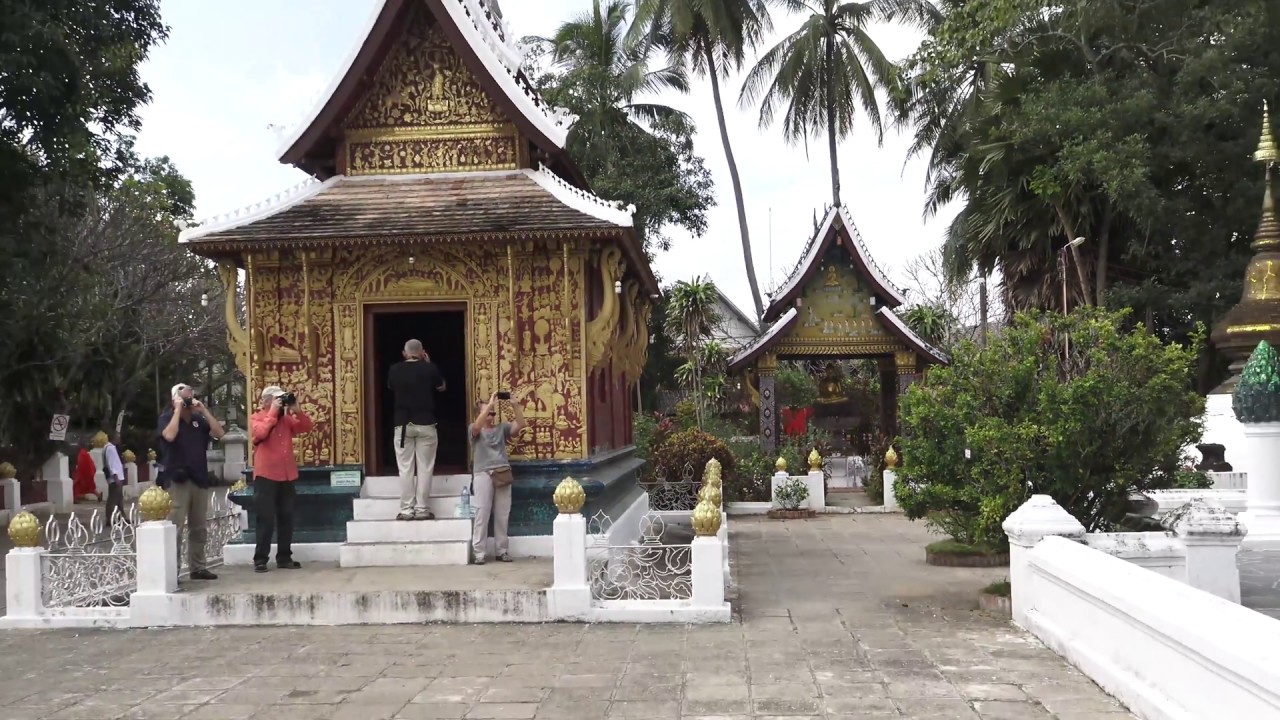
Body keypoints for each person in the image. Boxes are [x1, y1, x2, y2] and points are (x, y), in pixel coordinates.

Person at [158, 383, 226, 580]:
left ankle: (198, 567)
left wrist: (203, 410)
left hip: (199, 477)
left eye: (190, 397)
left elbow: (219, 434)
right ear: (174, 399)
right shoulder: (166, 418)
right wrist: (177, 410)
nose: (188, 401)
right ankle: (173, 570)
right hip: (178, 479)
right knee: (176, 527)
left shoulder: (198, 420)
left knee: (199, 527)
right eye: (184, 397)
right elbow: (169, 436)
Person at [249, 386, 314, 573]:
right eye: (277, 399)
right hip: (266, 475)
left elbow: (306, 427)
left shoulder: (286, 420)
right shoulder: (257, 417)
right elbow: (259, 434)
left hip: (287, 474)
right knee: (265, 519)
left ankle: (284, 557)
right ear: (267, 401)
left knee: (287, 517)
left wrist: (297, 410)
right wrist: (272, 412)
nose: (280, 402)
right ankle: (260, 559)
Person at [386, 339, 446, 521]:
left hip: (403, 425)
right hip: (426, 423)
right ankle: (421, 509)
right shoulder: (430, 368)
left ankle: (406, 509)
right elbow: (442, 387)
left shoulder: (394, 369)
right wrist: (428, 364)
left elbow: (390, 386)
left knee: (405, 468)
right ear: (422, 352)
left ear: (404, 353)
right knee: (425, 467)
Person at [469, 392, 524, 564]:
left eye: (493, 413)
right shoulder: (473, 429)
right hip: (483, 472)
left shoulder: (501, 428)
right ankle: (479, 552)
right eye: (488, 413)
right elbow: (477, 426)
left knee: (502, 513)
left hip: (501, 471)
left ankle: (502, 550)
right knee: (482, 512)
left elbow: (520, 425)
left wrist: (515, 405)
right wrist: (489, 405)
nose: (491, 416)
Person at [103, 432, 126, 524]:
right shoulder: (110, 449)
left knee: (119, 499)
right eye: (118, 437)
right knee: (113, 499)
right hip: (115, 478)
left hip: (115, 478)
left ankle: (122, 517)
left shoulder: (108, 447)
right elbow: (112, 464)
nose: (119, 439)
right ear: (114, 438)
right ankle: (110, 519)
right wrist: (116, 477)